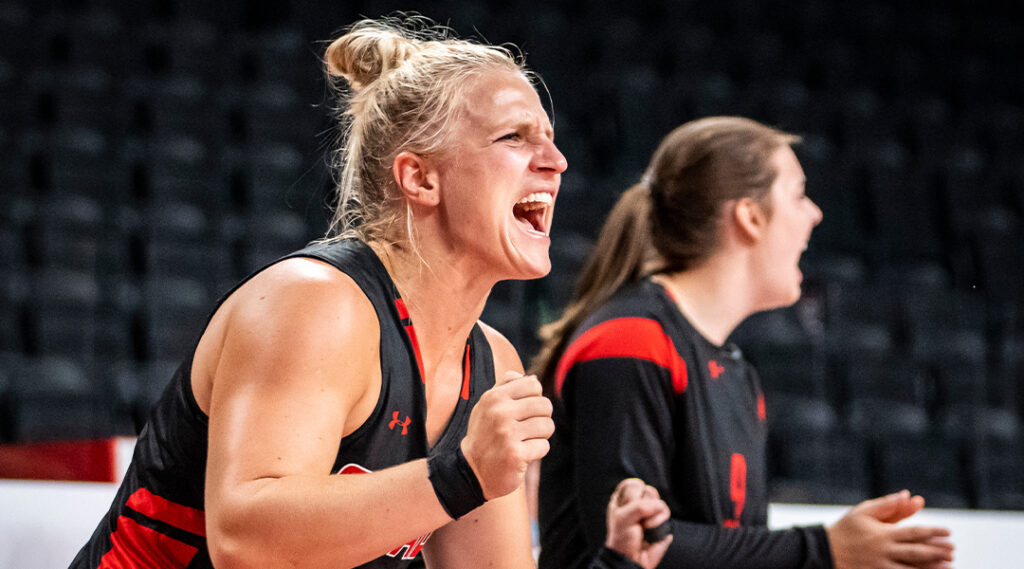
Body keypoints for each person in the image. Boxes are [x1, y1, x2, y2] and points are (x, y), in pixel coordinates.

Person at [70, 15, 567, 569]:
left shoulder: (492, 366)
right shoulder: (315, 302)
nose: (555, 161)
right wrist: (459, 475)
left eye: (549, 138)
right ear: (420, 178)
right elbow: (245, 541)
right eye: (514, 137)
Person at [533, 116, 956, 569]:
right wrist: (825, 551)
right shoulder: (631, 340)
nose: (814, 213)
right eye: (797, 194)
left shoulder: (735, 368)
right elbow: (637, 548)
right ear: (749, 217)